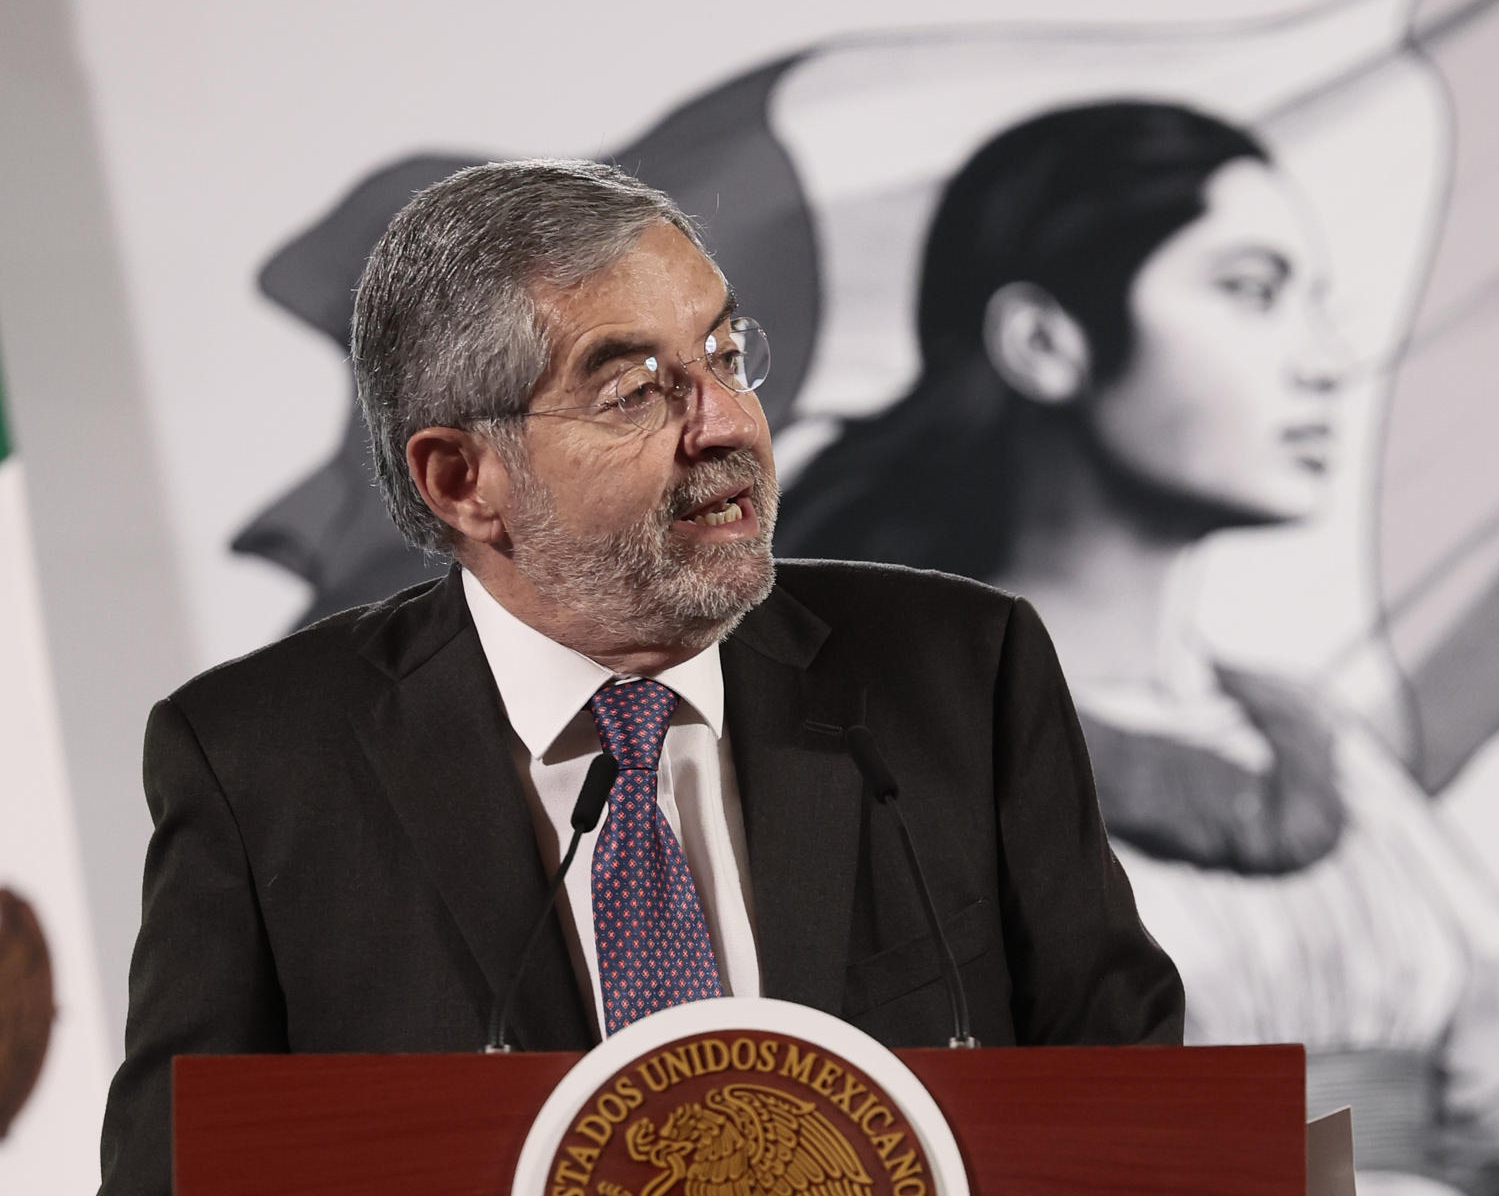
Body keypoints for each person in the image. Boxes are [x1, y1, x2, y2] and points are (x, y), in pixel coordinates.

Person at [777, 102, 1499, 1195]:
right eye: (1252, 291)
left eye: (1319, 303)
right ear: (1044, 339)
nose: (1323, 359)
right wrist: (1368, 1116)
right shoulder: (884, 751)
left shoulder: (1325, 756)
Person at [97, 159, 1182, 1195]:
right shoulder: (264, 765)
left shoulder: (956, 675)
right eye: (633, 392)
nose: (726, 424)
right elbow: (176, 1175)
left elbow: (1140, 1106)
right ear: (462, 478)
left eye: (724, 355)